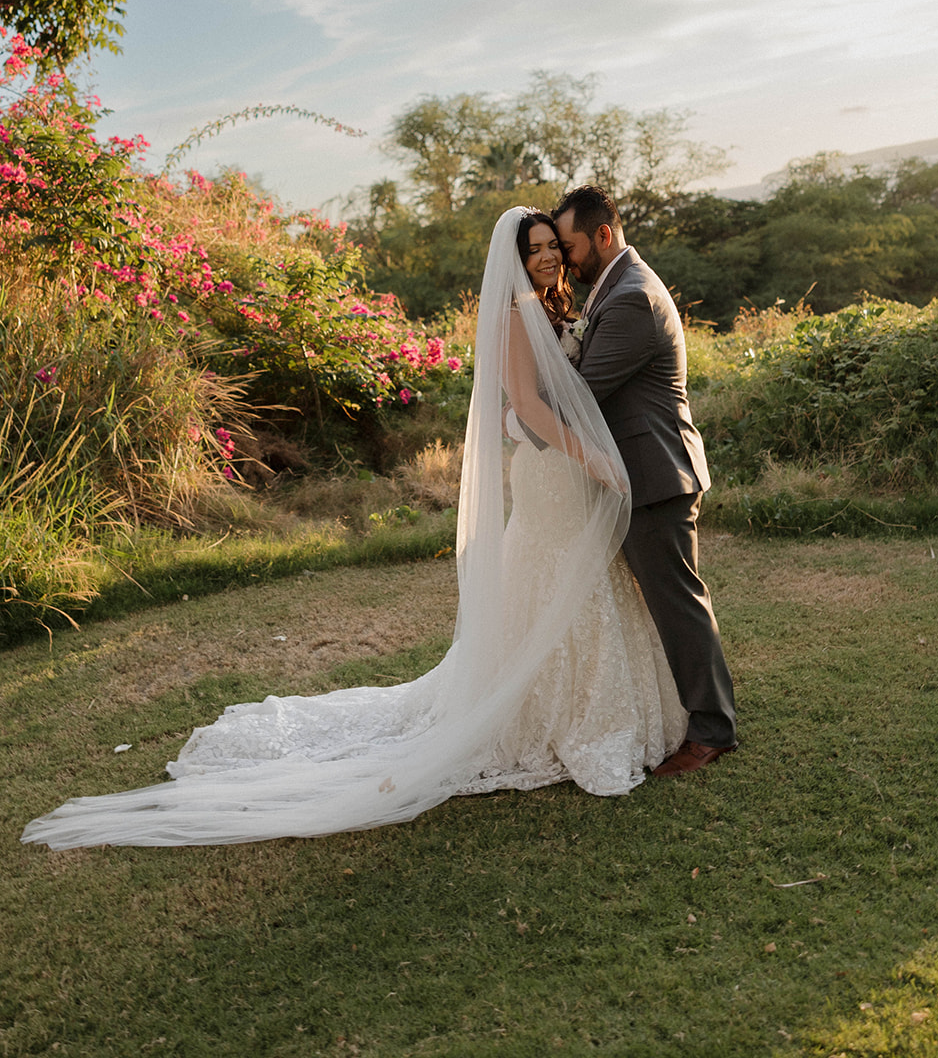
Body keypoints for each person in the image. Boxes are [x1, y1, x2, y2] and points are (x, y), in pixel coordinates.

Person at [22, 207, 685, 850]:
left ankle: (595, 709)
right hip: (553, 473)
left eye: (551, 245)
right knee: (551, 583)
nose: (546, 256)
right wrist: (590, 453)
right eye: (534, 248)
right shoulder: (515, 315)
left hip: (564, 475)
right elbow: (530, 408)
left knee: (582, 580)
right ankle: (555, 719)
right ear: (514, 261)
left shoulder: (553, 308)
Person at [552, 185, 737, 775]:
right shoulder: (619, 287)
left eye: (572, 245)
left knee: (677, 604)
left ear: (603, 234)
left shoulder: (631, 298)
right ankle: (682, 717)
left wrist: (522, 399)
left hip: (654, 474)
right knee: (660, 603)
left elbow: (579, 395)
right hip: (641, 471)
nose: (567, 259)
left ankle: (711, 732)